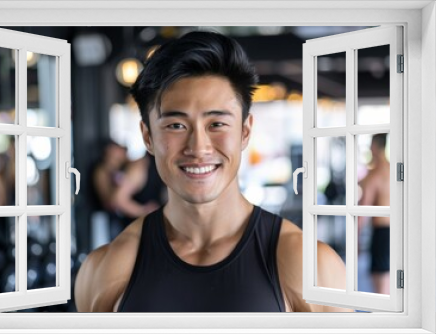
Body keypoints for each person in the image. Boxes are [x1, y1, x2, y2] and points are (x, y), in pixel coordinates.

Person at [75, 31, 350, 312]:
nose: (198, 147)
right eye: (176, 126)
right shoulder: (105, 269)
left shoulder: (309, 265)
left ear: (244, 131)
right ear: (148, 137)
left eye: (216, 124)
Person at [358, 134, 390, 294]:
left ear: (376, 147)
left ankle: (384, 319)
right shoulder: (395, 172)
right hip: (399, 232)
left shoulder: (374, 176)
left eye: (371, 145)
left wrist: (354, 240)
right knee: (392, 286)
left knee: (381, 291)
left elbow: (362, 212)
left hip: (382, 235)